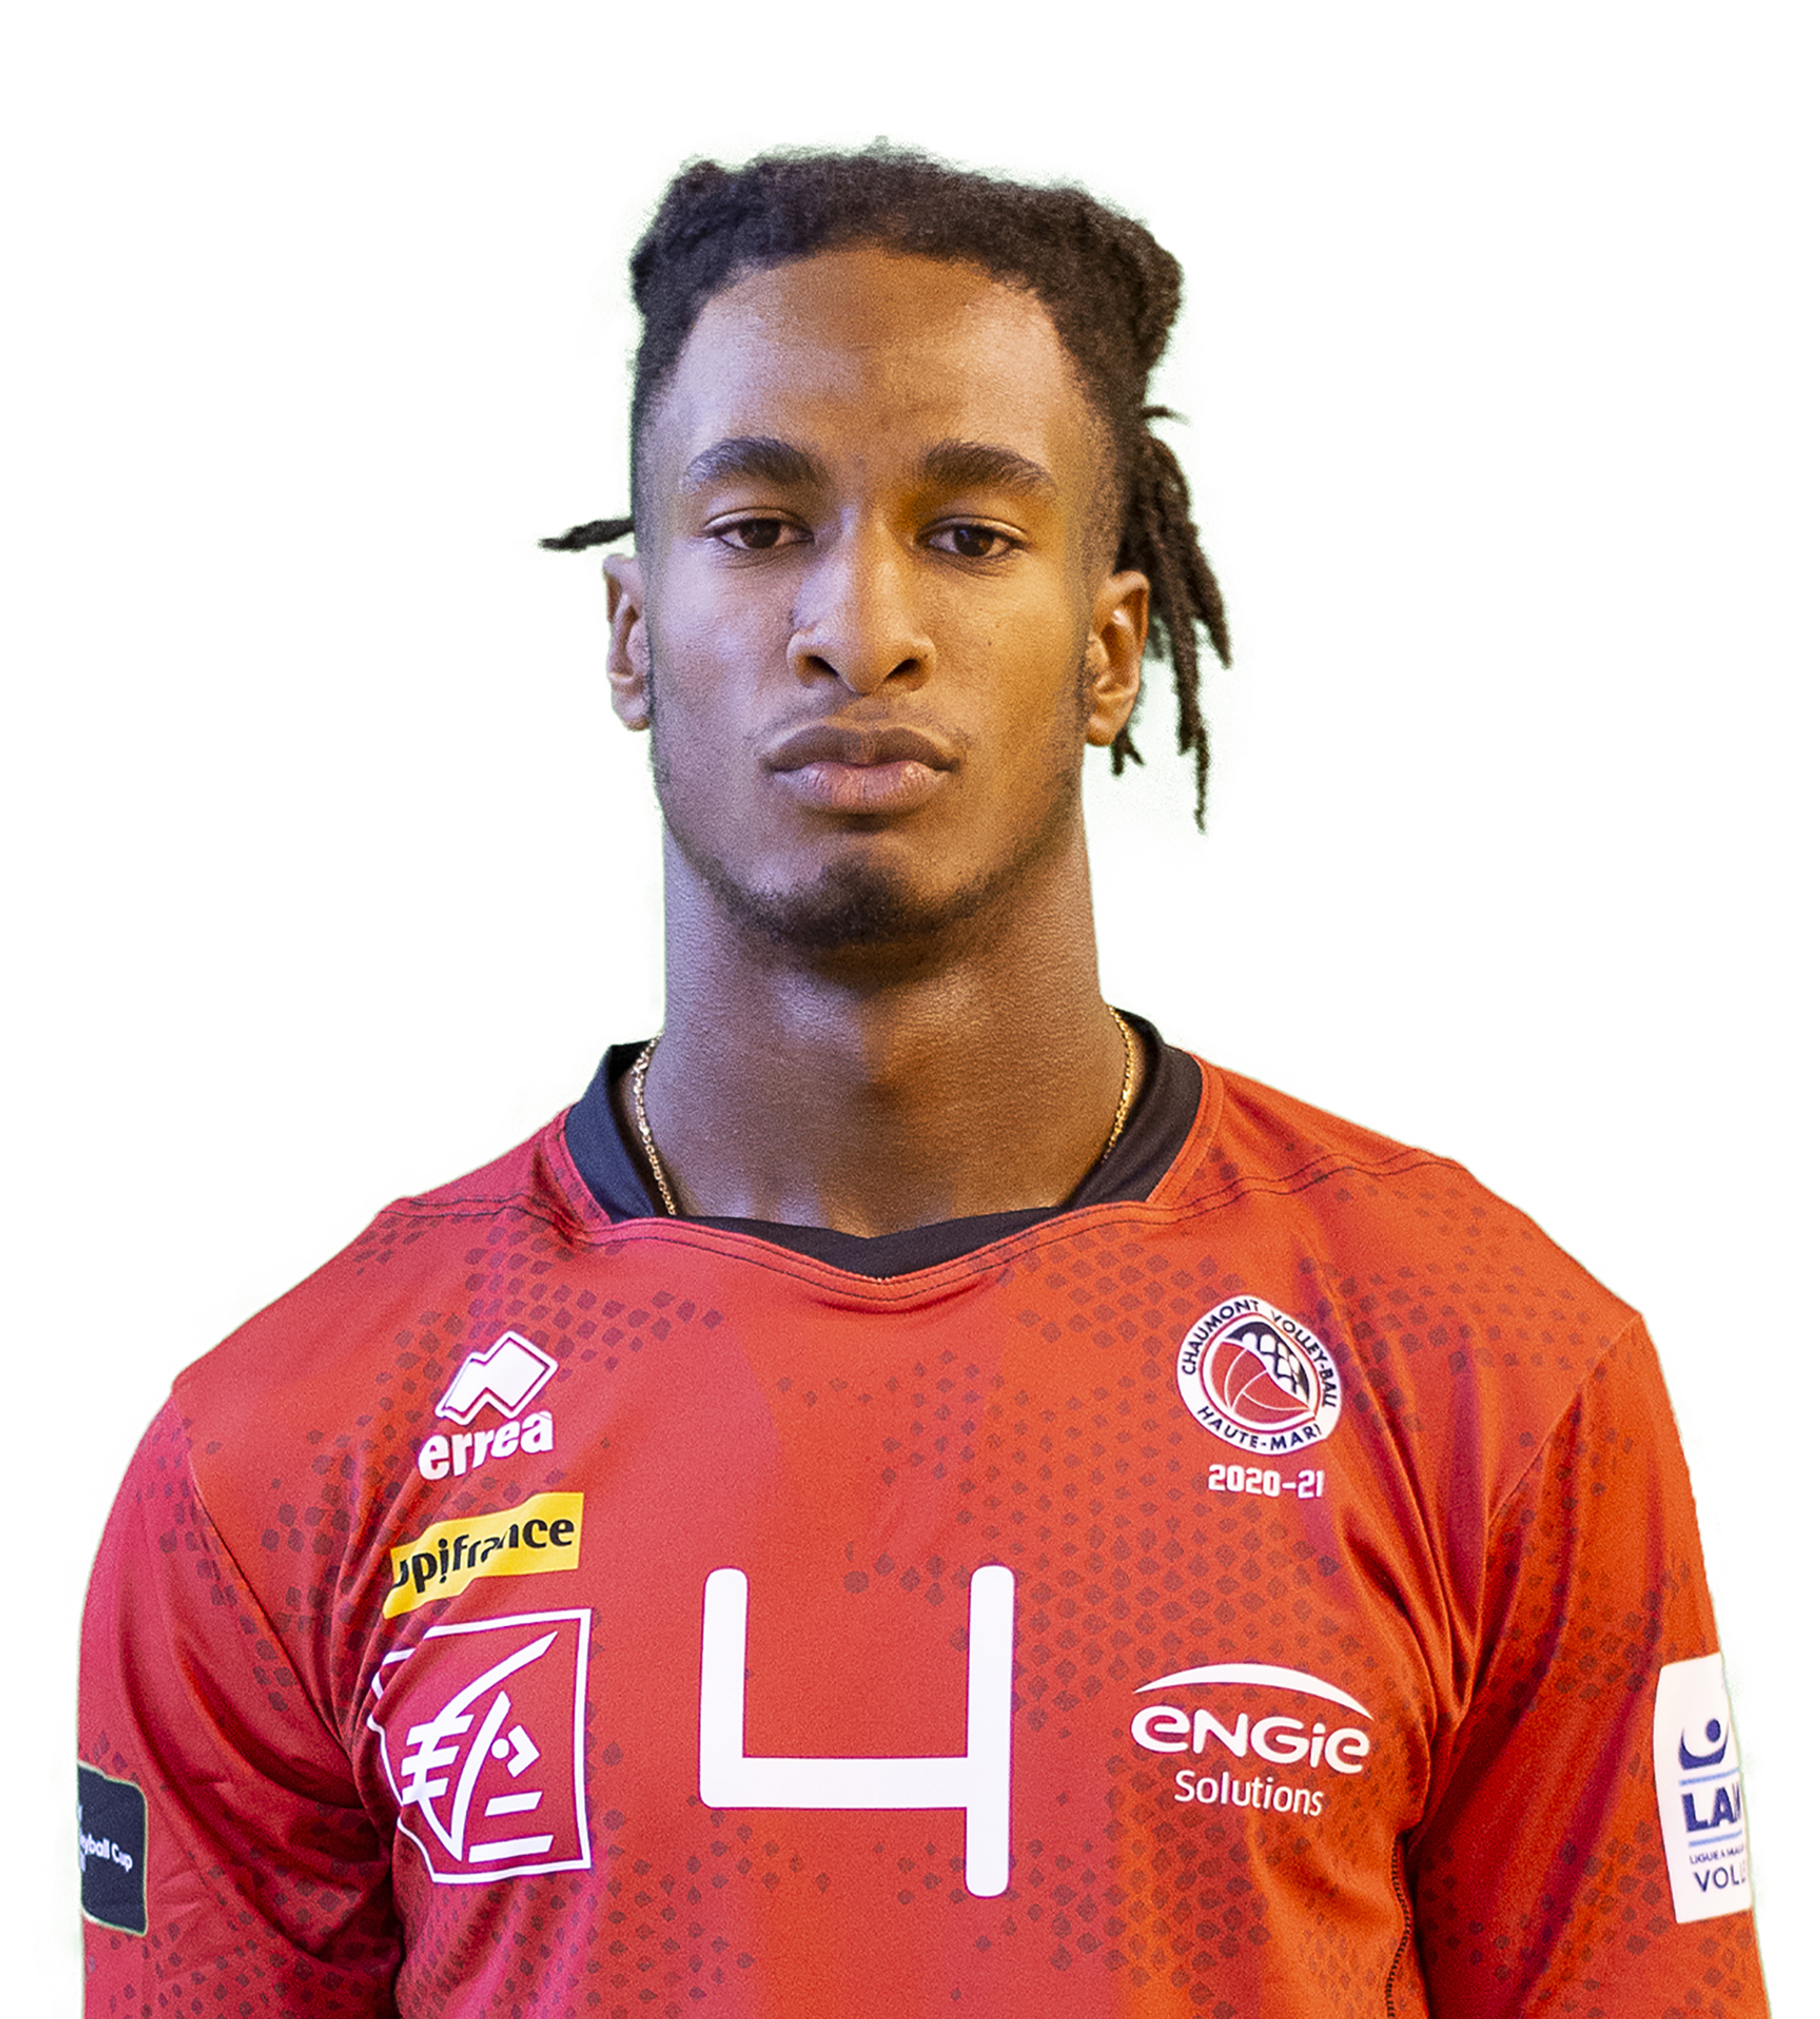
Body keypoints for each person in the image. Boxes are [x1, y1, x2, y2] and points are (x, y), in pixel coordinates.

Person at [77, 146, 1769, 2017]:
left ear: (1112, 650)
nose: (859, 623)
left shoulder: (1482, 1366)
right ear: (630, 633)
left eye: (968, 534)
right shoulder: (283, 1449)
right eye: (757, 527)